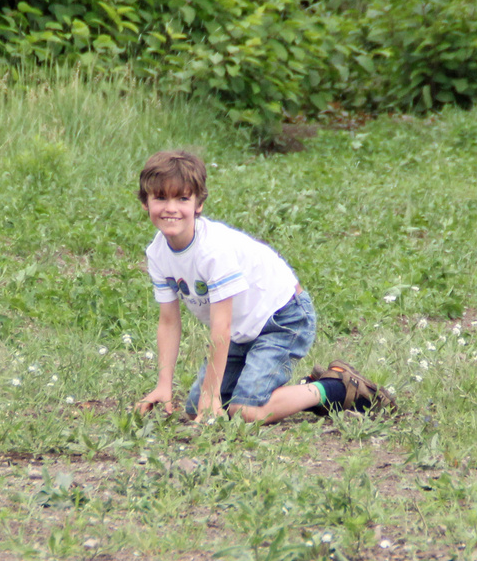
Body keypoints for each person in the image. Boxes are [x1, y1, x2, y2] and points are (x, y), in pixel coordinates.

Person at [131, 150, 394, 424]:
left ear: (198, 205)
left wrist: (212, 395)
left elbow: (221, 326)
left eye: (182, 198)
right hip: (240, 331)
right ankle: (281, 391)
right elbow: (169, 322)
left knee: (245, 412)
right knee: (196, 409)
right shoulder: (157, 253)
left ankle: (337, 387)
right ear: (145, 203)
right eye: (160, 197)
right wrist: (164, 384)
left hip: (282, 318)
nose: (170, 208)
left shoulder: (212, 251)